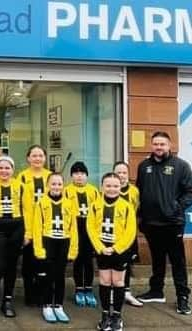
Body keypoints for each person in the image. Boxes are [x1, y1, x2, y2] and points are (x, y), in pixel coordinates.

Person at [135, 131, 192, 314]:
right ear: (151, 145)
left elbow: (190, 191)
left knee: (178, 262)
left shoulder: (181, 166)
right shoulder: (144, 166)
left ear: (170, 146)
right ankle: (156, 291)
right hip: (151, 223)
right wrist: (141, 217)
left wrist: (177, 207)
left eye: (162, 144)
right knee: (157, 260)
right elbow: (140, 191)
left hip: (172, 223)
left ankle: (183, 297)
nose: (159, 147)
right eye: (156, 144)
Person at [0, 156, 29, 321]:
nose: (4, 171)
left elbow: (27, 210)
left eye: (7, 168)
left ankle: (7, 300)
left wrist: (28, 234)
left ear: (12, 170)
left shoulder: (21, 186)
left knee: (11, 267)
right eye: (1, 167)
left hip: (17, 228)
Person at [87, 173, 136, 331]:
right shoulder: (95, 205)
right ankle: (105, 315)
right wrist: (100, 247)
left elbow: (130, 231)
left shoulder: (126, 206)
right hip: (102, 250)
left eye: (115, 186)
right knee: (105, 281)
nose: (112, 189)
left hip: (119, 251)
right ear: (102, 187)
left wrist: (116, 248)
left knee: (118, 282)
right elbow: (91, 228)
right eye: (108, 186)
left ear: (120, 187)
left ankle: (117, 315)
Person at [33, 173, 78, 323]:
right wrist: (39, 249)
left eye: (59, 184)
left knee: (60, 275)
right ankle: (47, 305)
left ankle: (58, 305)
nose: (56, 187)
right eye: (53, 184)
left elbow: (73, 229)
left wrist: (73, 249)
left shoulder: (69, 204)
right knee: (47, 276)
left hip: (63, 242)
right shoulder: (41, 203)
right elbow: (37, 228)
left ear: (63, 186)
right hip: (48, 242)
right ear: (47, 186)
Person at [17, 145, 51, 305]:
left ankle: (42, 294)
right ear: (28, 158)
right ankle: (29, 295)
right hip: (28, 226)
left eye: (40, 155)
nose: (37, 158)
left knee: (43, 262)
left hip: (48, 227)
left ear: (44, 158)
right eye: (34, 155)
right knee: (29, 263)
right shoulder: (22, 177)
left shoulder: (50, 176)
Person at [64, 161, 99, 307]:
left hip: (89, 227)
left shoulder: (93, 190)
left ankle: (88, 289)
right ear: (72, 176)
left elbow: (99, 211)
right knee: (78, 259)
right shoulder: (67, 190)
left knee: (88, 260)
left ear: (87, 176)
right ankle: (79, 288)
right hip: (75, 227)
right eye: (76, 173)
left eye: (82, 174)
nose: (79, 176)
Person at [113, 161, 142, 307]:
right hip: (113, 235)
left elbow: (136, 209)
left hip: (129, 234)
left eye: (124, 172)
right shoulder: (109, 190)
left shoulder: (134, 191)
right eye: (118, 172)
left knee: (127, 263)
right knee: (113, 263)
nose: (122, 175)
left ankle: (126, 291)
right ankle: (113, 291)